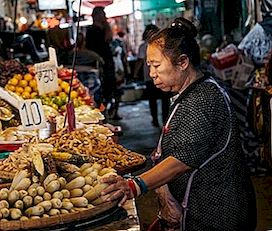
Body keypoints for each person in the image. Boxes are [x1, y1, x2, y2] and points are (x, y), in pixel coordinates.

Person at [101, 17, 256, 231]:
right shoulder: (187, 92)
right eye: (149, 66)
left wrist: (134, 185)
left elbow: (181, 160)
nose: (152, 73)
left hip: (217, 215)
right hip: (195, 209)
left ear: (183, 62)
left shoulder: (203, 100)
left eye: (156, 65)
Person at [85, 7, 118, 120]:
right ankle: (102, 114)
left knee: (109, 90)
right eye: (103, 14)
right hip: (98, 66)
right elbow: (91, 49)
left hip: (107, 64)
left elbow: (109, 40)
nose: (104, 16)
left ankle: (106, 113)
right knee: (100, 93)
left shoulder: (104, 29)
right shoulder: (91, 30)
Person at [138, 24, 170, 127]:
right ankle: (155, 119)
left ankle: (165, 119)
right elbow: (139, 61)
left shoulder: (163, 46)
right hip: (149, 77)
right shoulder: (143, 47)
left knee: (164, 98)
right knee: (153, 99)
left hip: (162, 76)